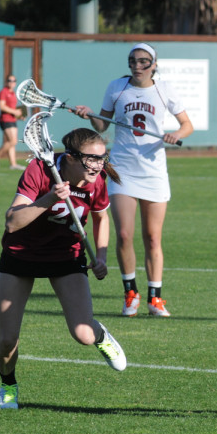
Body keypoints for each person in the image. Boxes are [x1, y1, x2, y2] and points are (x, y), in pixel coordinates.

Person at [0, 127, 127, 409]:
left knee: (84, 335)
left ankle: (100, 334)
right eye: (91, 159)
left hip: (65, 257)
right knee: (7, 341)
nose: (98, 165)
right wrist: (49, 199)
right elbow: (12, 222)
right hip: (21, 255)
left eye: (102, 158)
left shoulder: (98, 180)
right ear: (70, 157)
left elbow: (102, 219)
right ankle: (8, 385)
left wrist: (101, 256)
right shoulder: (39, 170)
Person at [74, 42, 194, 318]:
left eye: (143, 61)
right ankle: (130, 293)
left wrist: (178, 135)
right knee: (125, 234)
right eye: (132, 61)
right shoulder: (117, 87)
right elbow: (102, 126)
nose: (137, 66)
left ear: (154, 64)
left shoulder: (165, 90)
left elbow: (187, 124)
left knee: (153, 237)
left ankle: (156, 298)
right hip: (122, 169)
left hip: (153, 171)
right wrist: (89, 115)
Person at [0, 74, 26, 170]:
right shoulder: (3, 92)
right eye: (10, 80)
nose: (12, 82)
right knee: (13, 141)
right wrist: (14, 111)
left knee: (11, 142)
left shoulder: (14, 94)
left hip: (13, 119)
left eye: (14, 81)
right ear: (6, 82)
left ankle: (13, 164)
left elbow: (14, 108)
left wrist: (19, 116)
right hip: (5, 119)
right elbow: (2, 106)